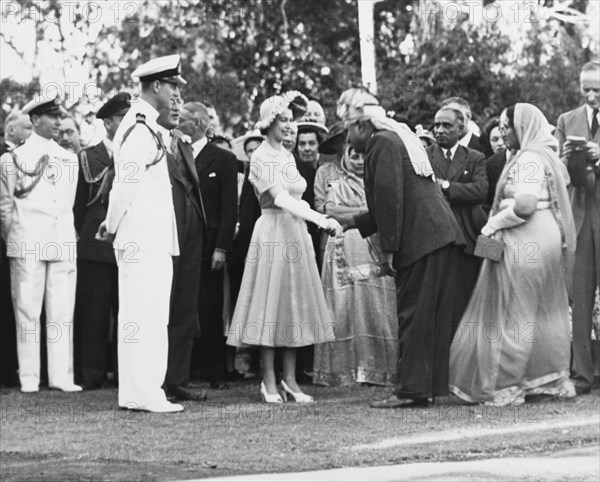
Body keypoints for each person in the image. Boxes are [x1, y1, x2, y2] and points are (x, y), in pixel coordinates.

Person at [331, 88, 466, 409]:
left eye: (349, 130)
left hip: (421, 239)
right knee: (428, 317)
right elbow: (388, 203)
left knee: (413, 315)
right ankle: (424, 387)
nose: (348, 140)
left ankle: (409, 391)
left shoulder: (381, 143)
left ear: (362, 125)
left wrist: (389, 249)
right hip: (437, 235)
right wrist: (351, 222)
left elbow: (390, 201)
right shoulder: (394, 140)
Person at [449, 103, 577, 406]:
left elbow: (524, 205)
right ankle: (545, 380)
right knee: (539, 312)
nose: (502, 132)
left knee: (512, 312)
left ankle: (507, 387)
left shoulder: (530, 158)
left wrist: (491, 224)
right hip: (537, 237)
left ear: (523, 127)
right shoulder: (541, 155)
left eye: (507, 126)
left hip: (525, 238)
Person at [226, 91, 342, 403]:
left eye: (292, 121)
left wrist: (311, 219)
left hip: (295, 232)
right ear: (269, 123)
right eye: (285, 121)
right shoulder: (261, 157)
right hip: (273, 231)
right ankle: (268, 380)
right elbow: (280, 198)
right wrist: (321, 219)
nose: (291, 126)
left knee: (292, 304)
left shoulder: (288, 156)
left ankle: (290, 380)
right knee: (270, 304)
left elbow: (297, 197)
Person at [97, 54, 186, 413]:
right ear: (157, 86)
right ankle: (146, 391)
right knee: (146, 316)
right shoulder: (139, 127)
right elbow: (125, 185)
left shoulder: (145, 126)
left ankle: (136, 392)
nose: (177, 96)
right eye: (173, 88)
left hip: (147, 235)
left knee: (142, 316)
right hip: (143, 237)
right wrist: (112, 223)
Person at [0, 96, 81, 393]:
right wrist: (17, 237)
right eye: (51, 116)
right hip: (27, 241)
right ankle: (30, 377)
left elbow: (67, 204)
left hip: (60, 238)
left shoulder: (68, 158)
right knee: (27, 310)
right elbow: (5, 207)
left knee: (61, 311)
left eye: (59, 116)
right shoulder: (12, 159)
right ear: (34, 121)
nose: (58, 122)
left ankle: (61, 376)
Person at [313, 144, 398, 386]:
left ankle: (378, 371)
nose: (359, 161)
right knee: (343, 309)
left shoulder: (379, 183)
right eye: (355, 156)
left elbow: (386, 212)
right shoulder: (334, 180)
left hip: (375, 252)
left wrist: (359, 213)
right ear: (347, 157)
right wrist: (367, 212)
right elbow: (329, 211)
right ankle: (344, 372)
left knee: (375, 310)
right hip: (340, 253)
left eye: (364, 157)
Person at [73, 92, 131, 389]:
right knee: (94, 313)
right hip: (95, 246)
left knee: (128, 312)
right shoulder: (88, 156)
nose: (127, 123)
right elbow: (79, 205)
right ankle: (92, 374)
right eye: (122, 118)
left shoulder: (136, 153)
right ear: (108, 122)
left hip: (130, 242)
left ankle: (126, 374)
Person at [182, 102, 238, 390]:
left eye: (183, 120)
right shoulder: (174, 156)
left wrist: (221, 247)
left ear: (199, 123)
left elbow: (230, 209)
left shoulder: (223, 159)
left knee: (211, 309)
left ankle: (216, 372)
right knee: (183, 309)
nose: (177, 124)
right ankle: (185, 370)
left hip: (209, 247)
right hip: (181, 245)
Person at [555, 60, 600, 394]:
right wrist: (567, 156)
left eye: (597, 89)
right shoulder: (566, 120)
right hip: (580, 215)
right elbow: (559, 173)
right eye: (586, 88)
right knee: (579, 298)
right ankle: (582, 374)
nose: (591, 95)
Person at [427, 106, 488, 314]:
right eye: (436, 125)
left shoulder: (474, 157)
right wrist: (462, 191)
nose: (440, 130)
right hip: (434, 238)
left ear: (460, 128)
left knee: (467, 301)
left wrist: (445, 186)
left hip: (468, 238)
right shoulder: (423, 156)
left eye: (446, 125)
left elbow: (480, 191)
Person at [0, 110, 31, 388]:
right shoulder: (5, 157)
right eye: (26, 127)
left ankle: (11, 369)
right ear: (11, 130)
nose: (30, 133)